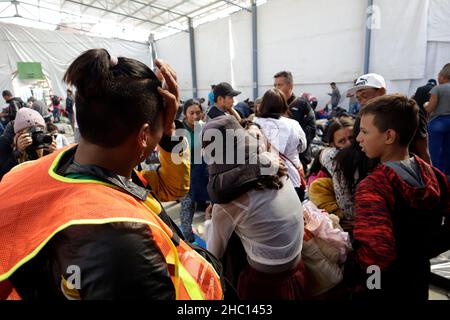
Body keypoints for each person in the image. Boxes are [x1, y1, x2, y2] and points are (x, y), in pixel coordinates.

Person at [0, 49, 223, 300]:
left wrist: (169, 132)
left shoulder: (73, 165)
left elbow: (172, 187)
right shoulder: (123, 241)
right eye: (162, 130)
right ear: (143, 136)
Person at [347, 94, 450, 301]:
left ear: (389, 136)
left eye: (364, 131)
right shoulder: (433, 175)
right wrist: (424, 250)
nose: (358, 138)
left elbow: (376, 253)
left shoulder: (373, 187)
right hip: (418, 277)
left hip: (385, 285)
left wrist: (368, 287)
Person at [203, 115, 306, 300]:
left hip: (265, 283)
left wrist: (209, 221)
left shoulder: (228, 204)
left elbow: (213, 254)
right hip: (298, 266)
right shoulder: (273, 166)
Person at [347, 73, 431, 164]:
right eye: (359, 99)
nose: (363, 102)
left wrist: (429, 174)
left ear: (381, 91)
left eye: (365, 96)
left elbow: (422, 148)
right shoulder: (361, 119)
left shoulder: (404, 112)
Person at [255, 88, 307, 200]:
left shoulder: (255, 123)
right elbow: (302, 148)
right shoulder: (293, 124)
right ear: (283, 105)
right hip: (291, 178)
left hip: (262, 180)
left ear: (263, 105)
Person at [179, 99, 209, 243]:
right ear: (185, 114)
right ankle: (187, 239)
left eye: (198, 112)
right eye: (191, 113)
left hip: (202, 171)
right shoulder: (179, 130)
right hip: (184, 173)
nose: (195, 116)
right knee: (187, 206)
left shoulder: (205, 128)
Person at [273, 71, 316, 171]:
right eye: (275, 85)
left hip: (298, 160)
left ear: (290, 86)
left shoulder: (302, 105)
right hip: (277, 161)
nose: (276, 88)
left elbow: (311, 130)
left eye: (280, 85)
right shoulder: (271, 106)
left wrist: (292, 146)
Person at [0, 108, 57, 181]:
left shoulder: (43, 140)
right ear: (19, 133)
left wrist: (53, 154)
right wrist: (17, 152)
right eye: (31, 130)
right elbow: (3, 175)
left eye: (40, 130)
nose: (36, 134)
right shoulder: (5, 142)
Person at [426, 63, 450, 177]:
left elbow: (431, 107)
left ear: (443, 76)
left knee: (434, 150)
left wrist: (425, 105)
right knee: (448, 149)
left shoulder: (437, 89)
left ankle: (436, 174)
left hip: (438, 121)